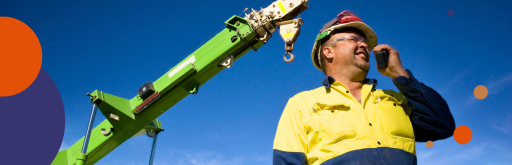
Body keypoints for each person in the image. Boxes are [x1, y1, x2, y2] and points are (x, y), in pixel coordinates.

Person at [272, 11, 455, 165]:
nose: (364, 45)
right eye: (353, 39)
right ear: (328, 51)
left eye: (365, 42)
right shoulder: (302, 104)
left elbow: (441, 125)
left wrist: (400, 74)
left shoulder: (395, 100)